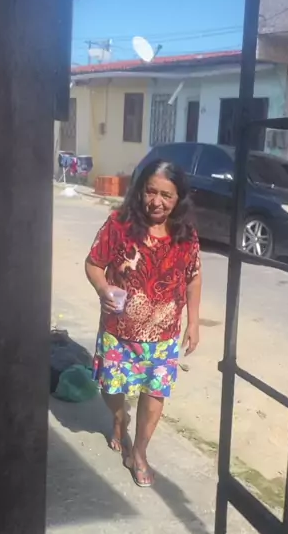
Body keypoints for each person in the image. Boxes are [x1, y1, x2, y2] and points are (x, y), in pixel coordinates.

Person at [85, 160, 202, 487]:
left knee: (155, 393)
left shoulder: (185, 235)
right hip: (119, 332)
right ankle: (119, 419)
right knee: (112, 389)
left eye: (166, 195)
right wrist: (103, 288)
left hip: (164, 336)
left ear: (178, 198)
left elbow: (193, 277)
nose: (157, 202)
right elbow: (93, 264)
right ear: (140, 191)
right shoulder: (119, 225)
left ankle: (139, 453)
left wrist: (193, 322)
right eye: (151, 192)